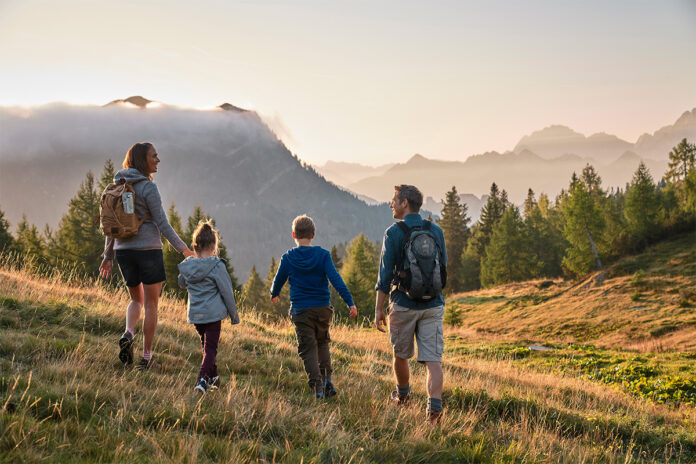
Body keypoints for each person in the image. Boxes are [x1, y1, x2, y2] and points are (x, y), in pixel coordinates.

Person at [99, 142, 193, 370]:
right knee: (151, 305)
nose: (158, 160)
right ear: (143, 160)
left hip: (123, 252)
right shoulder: (148, 188)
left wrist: (108, 255)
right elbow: (163, 224)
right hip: (149, 251)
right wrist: (185, 250)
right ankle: (147, 357)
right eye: (154, 156)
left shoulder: (117, 186)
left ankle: (128, 332)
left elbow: (112, 225)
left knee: (135, 300)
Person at [374, 185, 447, 424]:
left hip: (403, 304)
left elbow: (384, 277)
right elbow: (443, 269)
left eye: (394, 199)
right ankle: (433, 414)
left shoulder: (393, 233)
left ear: (405, 202)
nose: (391, 204)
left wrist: (378, 309)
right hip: (433, 304)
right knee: (433, 360)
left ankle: (403, 397)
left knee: (401, 354)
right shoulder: (435, 230)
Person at [270, 215, 358, 399]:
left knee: (308, 348)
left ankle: (317, 389)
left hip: (301, 310)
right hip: (322, 308)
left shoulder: (288, 258)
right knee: (322, 342)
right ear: (313, 234)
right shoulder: (323, 255)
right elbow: (336, 280)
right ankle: (327, 381)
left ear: (294, 234)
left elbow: (278, 281)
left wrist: (274, 293)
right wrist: (350, 302)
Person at [178, 220, 239, 394]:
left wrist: (188, 266)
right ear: (213, 246)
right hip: (213, 316)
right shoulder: (216, 266)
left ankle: (214, 377)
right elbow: (227, 292)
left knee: (207, 347)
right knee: (210, 349)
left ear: (195, 246)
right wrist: (234, 316)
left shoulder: (188, 265)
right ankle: (202, 380)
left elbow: (181, 283)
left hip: (196, 315)